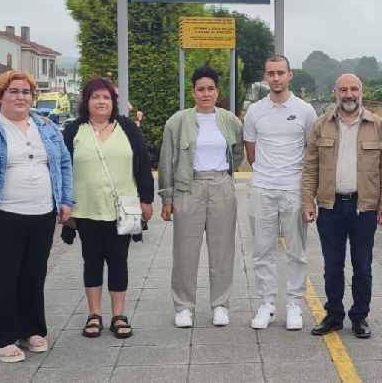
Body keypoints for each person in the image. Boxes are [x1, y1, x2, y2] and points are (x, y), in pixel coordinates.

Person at [0, 70, 73, 362]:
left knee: (32, 276)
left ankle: (30, 330)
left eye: (26, 92)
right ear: (0, 96)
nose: (21, 97)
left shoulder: (46, 126)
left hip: (41, 214)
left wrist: (65, 201)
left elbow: (63, 164)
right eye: (14, 91)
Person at [301, 74, 382, 338]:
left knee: (362, 266)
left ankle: (360, 316)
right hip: (330, 207)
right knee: (332, 266)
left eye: (353, 89)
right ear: (335, 93)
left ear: (361, 91)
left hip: (363, 207)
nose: (349, 94)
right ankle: (333, 314)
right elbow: (310, 168)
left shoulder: (377, 125)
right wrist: (308, 201)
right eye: (343, 90)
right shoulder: (322, 124)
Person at [62, 76, 154, 339]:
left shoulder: (127, 127)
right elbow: (62, 169)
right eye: (95, 97)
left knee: (118, 261)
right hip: (86, 208)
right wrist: (64, 205)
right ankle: (94, 314)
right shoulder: (74, 130)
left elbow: (143, 165)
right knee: (90, 260)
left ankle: (118, 315)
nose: (101, 101)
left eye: (106, 97)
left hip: (121, 210)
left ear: (113, 102)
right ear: (86, 102)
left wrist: (146, 199)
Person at [158, 66, 244, 328]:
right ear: (193, 92)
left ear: (217, 91)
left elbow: (237, 153)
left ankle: (220, 305)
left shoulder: (230, 120)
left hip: (220, 186)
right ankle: (184, 306)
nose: (205, 94)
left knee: (222, 250)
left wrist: (225, 178)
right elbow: (166, 161)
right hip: (188, 187)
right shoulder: (177, 121)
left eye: (210, 89)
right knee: (185, 251)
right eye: (200, 89)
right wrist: (167, 197)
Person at [243, 55, 317, 330]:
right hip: (262, 188)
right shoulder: (255, 111)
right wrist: (267, 173)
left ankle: (295, 304)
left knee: (296, 250)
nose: (275, 78)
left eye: (280, 73)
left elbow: (311, 151)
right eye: (270, 73)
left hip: (294, 190)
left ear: (290, 75)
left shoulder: (306, 111)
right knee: (263, 249)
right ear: (265, 77)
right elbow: (252, 153)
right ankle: (267, 304)